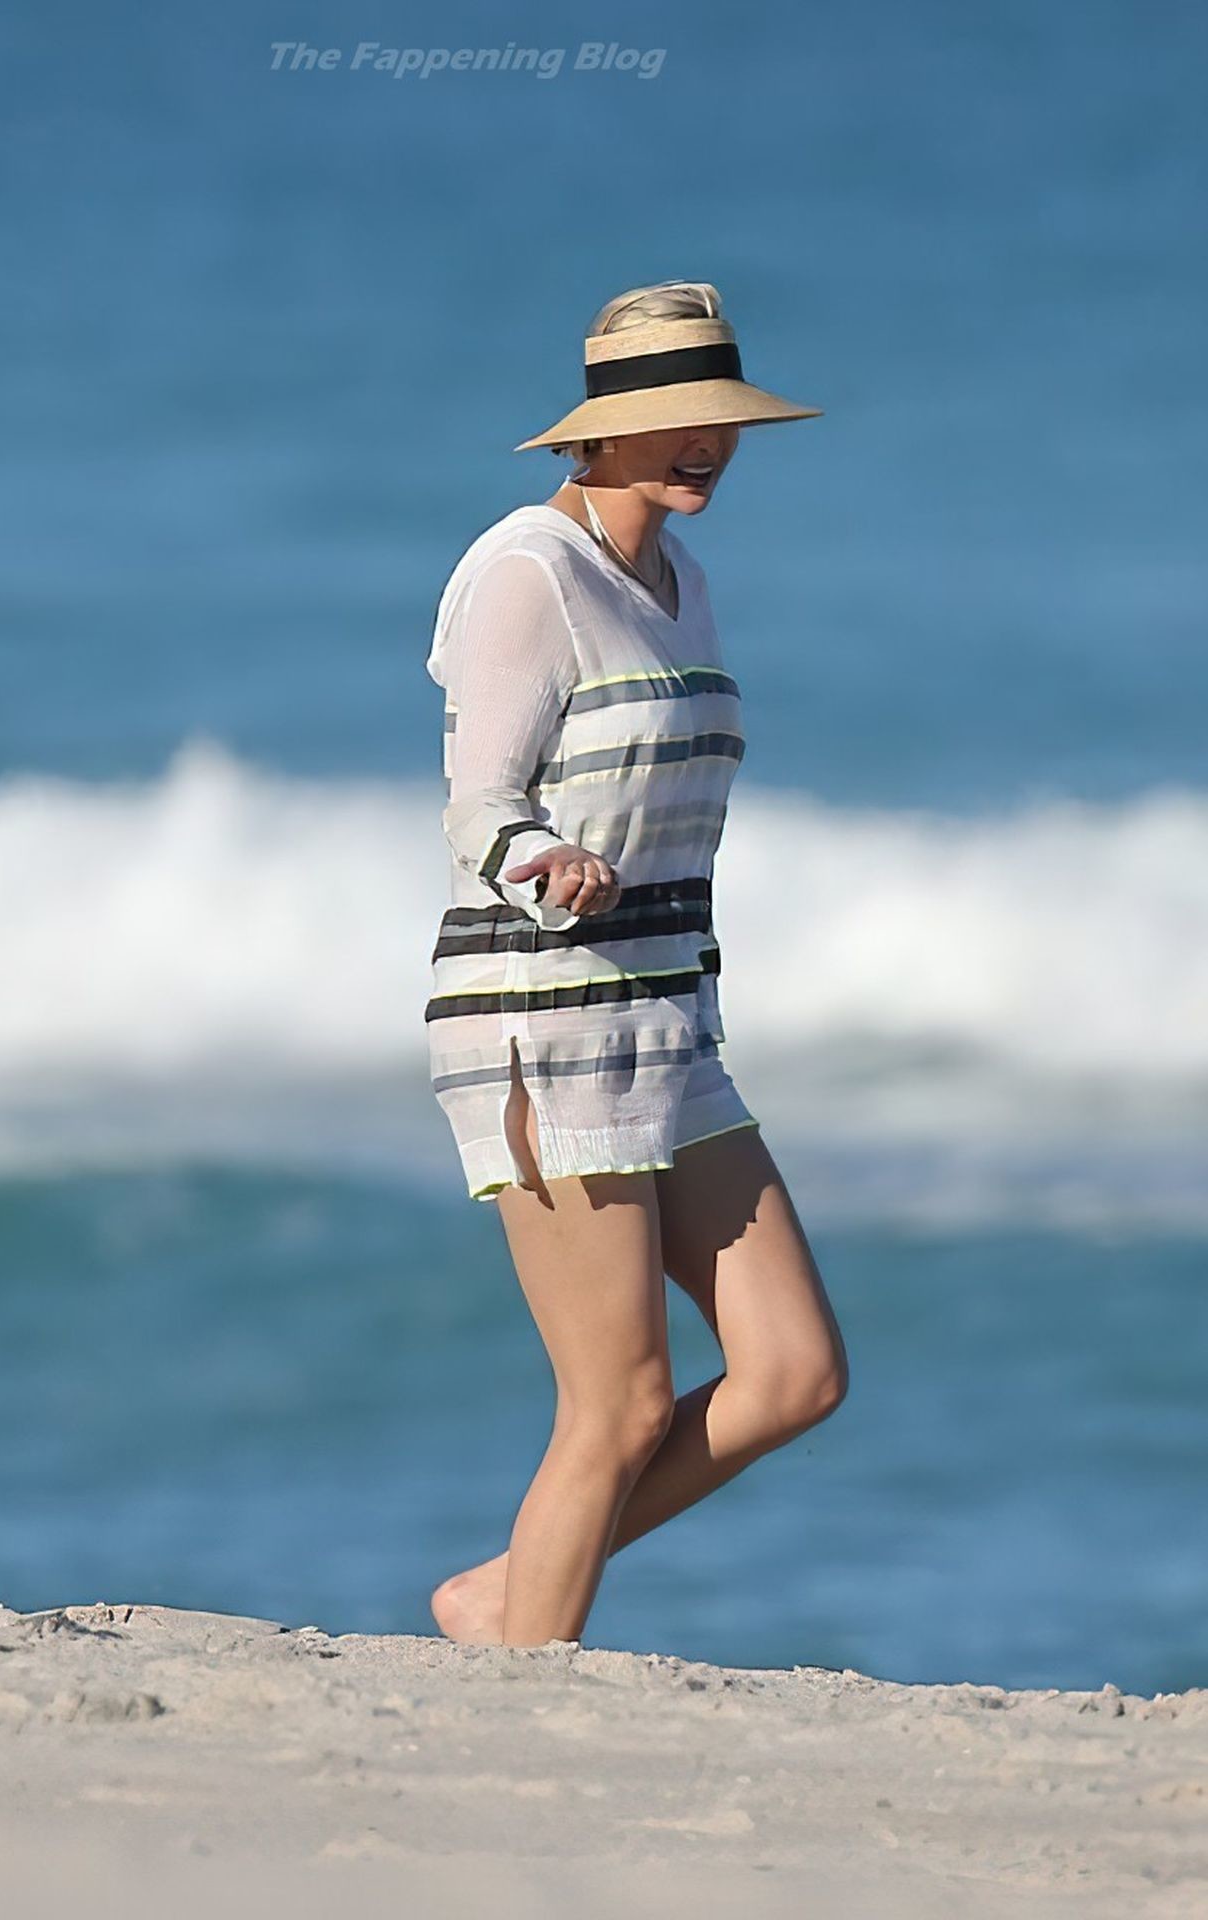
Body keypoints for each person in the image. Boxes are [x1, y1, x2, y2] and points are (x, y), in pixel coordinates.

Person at [423, 280, 850, 1650]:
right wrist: (543, 856)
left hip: (664, 1015)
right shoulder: (526, 572)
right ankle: (523, 1675)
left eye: (721, 419)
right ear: (598, 430)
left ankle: (501, 1595)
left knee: (792, 1371)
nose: (705, 442)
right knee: (613, 1404)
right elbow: (479, 803)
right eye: (675, 418)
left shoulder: (680, 583)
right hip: (541, 1013)